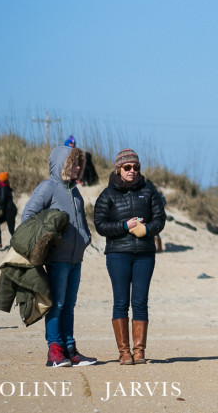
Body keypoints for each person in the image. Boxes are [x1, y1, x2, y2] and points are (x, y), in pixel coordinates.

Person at [19, 145, 96, 367]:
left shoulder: (75, 190)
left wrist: (86, 238)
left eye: (79, 163)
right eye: (74, 163)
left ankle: (70, 350)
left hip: (76, 258)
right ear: (63, 164)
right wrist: (49, 238)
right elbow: (27, 216)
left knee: (69, 305)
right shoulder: (48, 187)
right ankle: (54, 351)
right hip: (57, 258)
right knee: (57, 303)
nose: (78, 167)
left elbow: (81, 220)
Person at [93, 149, 166, 365]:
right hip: (117, 254)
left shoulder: (149, 192)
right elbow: (100, 225)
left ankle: (139, 351)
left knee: (140, 302)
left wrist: (147, 230)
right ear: (118, 169)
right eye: (127, 167)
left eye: (135, 167)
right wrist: (125, 226)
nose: (132, 171)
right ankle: (124, 352)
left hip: (145, 255)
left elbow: (160, 219)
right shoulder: (107, 195)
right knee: (121, 302)